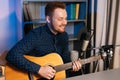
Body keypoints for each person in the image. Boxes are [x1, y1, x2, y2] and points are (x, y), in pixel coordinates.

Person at [6, 1, 81, 80]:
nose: (65, 22)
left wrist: (73, 67)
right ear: (48, 19)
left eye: (65, 18)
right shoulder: (36, 35)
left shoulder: (64, 36)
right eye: (60, 19)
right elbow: (11, 55)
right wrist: (39, 69)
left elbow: (66, 62)